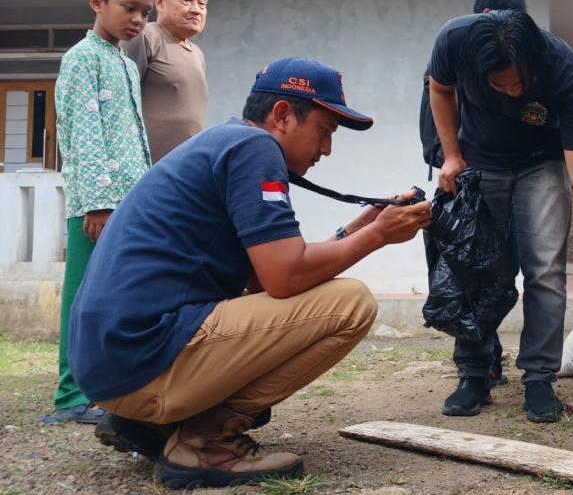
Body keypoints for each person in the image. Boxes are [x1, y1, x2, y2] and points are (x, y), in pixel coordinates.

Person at [69, 57, 431, 488]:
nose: (327, 149)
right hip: (141, 356)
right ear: (282, 115)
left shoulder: (228, 143)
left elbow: (268, 281)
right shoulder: (255, 149)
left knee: (316, 298)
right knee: (350, 303)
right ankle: (202, 441)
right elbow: (285, 279)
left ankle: (151, 423)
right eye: (324, 130)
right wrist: (377, 238)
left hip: (115, 360)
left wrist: (359, 227)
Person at [428, 10, 573, 422]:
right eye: (500, 84)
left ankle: (539, 379)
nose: (513, 90)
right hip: (479, 163)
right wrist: (451, 154)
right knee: (473, 268)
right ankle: (474, 373)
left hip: (542, 163)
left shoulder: (563, 70)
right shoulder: (454, 41)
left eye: (520, 81)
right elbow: (439, 87)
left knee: (546, 271)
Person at [43, 0, 154, 425]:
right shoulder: (81, 58)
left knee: (115, 298)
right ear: (97, 3)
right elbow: (84, 135)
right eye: (129, 8)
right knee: (84, 299)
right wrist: (98, 203)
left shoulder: (125, 64)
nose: (137, 20)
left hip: (129, 203)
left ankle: (107, 387)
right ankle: (70, 397)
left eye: (145, 13)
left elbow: (133, 137)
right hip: (98, 206)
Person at [420, 0, 528, 391]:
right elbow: (435, 115)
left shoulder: (515, 64)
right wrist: (449, 159)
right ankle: (474, 368)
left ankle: (490, 359)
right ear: (487, 18)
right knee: (465, 272)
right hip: (463, 182)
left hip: (505, 176)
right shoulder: (453, 53)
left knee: (502, 271)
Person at [124, 0, 209, 162]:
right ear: (160, 2)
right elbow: (119, 98)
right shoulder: (145, 36)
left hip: (186, 167)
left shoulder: (197, 53)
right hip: (148, 168)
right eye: (187, 0)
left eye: (202, 3)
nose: (196, 10)